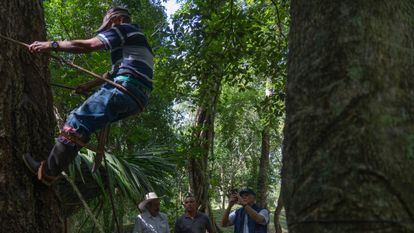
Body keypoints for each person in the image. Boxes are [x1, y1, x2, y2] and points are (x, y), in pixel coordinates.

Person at [22, 7, 154, 184]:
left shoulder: (125, 30)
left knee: (77, 122)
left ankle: (47, 172)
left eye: (108, 23)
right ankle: (53, 168)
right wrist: (88, 85)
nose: (107, 29)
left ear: (118, 19)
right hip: (137, 99)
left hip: (125, 89)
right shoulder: (135, 41)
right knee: (85, 126)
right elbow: (113, 73)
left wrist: (51, 45)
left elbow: (88, 45)